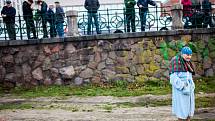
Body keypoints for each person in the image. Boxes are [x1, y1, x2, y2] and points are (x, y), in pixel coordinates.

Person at [169, 46, 195, 121]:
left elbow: (189, 76)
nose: (189, 56)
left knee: (189, 109)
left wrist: (192, 85)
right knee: (181, 109)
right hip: (180, 90)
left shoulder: (188, 63)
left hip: (189, 89)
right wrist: (182, 86)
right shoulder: (176, 61)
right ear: (182, 54)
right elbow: (173, 78)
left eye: (190, 55)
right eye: (187, 54)